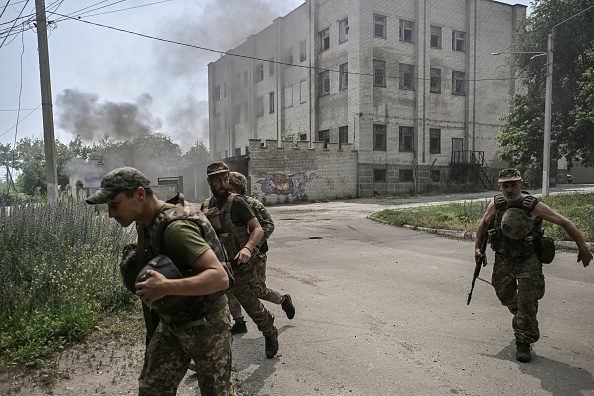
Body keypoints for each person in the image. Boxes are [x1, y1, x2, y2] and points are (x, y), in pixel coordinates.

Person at [86, 167, 235, 396]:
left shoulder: (176, 228)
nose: (111, 214)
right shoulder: (147, 222)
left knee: (216, 392)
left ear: (139, 194)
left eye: (114, 204)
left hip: (207, 324)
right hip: (172, 323)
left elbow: (219, 277)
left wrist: (166, 287)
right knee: (152, 389)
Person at [475, 168, 592, 363]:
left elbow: (565, 222)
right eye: (506, 185)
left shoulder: (534, 206)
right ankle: (522, 318)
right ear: (500, 187)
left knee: (527, 300)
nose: (510, 189)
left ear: (522, 184)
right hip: (504, 259)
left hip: (528, 260)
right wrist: (477, 248)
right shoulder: (495, 204)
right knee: (503, 294)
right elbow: (483, 224)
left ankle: (524, 341)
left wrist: (583, 247)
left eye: (513, 184)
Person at [201, 161, 279, 358]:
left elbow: (258, 228)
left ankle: (270, 331)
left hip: (240, 267)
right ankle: (210, 359)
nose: (223, 183)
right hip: (217, 270)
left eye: (226, 179)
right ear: (209, 181)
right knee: (213, 316)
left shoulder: (238, 202)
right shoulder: (205, 206)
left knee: (254, 308)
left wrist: (247, 248)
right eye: (218, 180)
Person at [226, 171, 295, 334]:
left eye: (230, 188)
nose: (226, 191)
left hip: (255, 256)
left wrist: (253, 247)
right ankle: (239, 321)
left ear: (238, 188)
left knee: (258, 290)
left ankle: (283, 300)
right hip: (233, 256)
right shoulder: (223, 206)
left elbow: (268, 225)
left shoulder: (252, 204)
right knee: (230, 288)